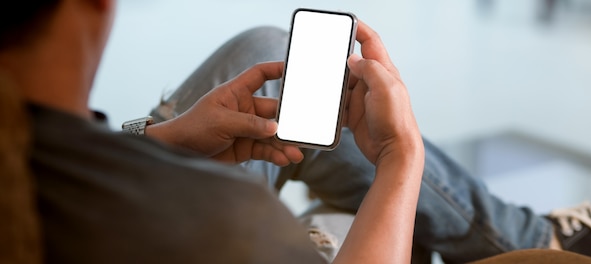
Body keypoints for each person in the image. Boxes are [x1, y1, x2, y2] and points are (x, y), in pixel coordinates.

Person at [0, 0, 425, 263]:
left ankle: (494, 228)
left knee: (269, 52)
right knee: (351, 223)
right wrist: (400, 155)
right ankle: (493, 241)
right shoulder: (227, 219)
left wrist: (165, 138)